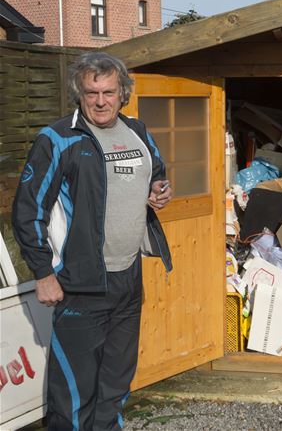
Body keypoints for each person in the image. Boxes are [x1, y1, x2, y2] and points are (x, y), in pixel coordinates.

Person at [12, 52, 173, 430]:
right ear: (79, 94)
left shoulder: (138, 131)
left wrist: (159, 190)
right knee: (72, 391)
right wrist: (42, 272)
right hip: (80, 283)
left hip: (127, 280)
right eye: (91, 92)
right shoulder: (57, 139)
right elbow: (27, 210)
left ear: (123, 93)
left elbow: (157, 171)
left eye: (108, 92)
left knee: (115, 385)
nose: (100, 101)